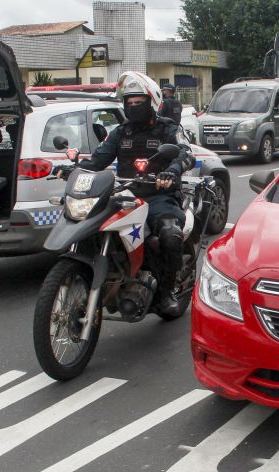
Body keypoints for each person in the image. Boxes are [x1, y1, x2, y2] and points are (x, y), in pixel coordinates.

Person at [77, 71, 190, 313]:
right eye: (129, 102)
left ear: (151, 102)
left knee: (170, 235)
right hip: (125, 195)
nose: (133, 106)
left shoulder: (167, 129)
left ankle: (167, 291)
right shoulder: (120, 132)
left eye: (139, 102)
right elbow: (98, 160)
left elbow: (184, 153)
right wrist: (73, 168)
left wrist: (171, 171)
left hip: (159, 196)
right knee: (90, 228)